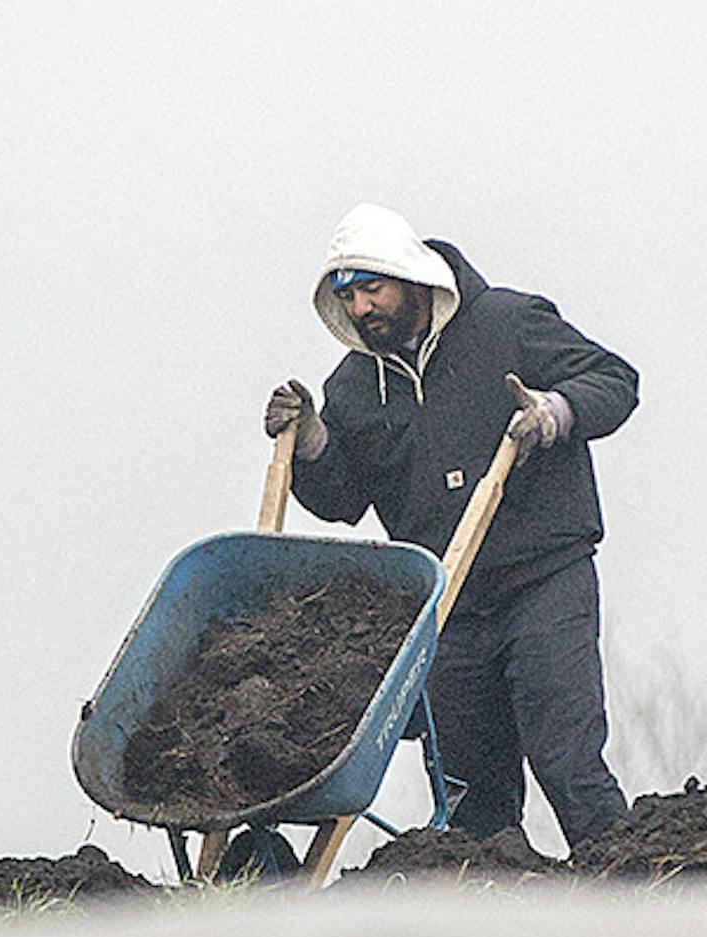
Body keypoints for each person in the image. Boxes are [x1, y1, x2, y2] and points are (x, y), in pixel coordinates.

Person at [264, 203, 638, 847]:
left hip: (542, 581)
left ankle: (635, 895)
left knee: (567, 759)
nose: (360, 310)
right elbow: (344, 497)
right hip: (449, 607)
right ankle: (494, 921)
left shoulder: (507, 324)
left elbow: (615, 379)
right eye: (346, 298)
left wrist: (555, 412)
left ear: (411, 278)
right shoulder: (354, 387)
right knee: (470, 793)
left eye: (371, 290)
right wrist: (315, 444)